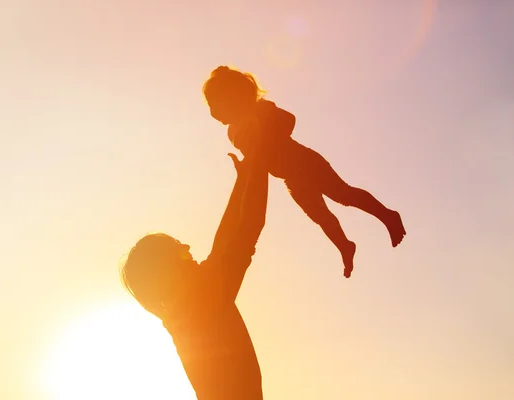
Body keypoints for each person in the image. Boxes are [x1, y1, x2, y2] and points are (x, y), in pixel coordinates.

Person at [202, 65, 406, 278]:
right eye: (210, 105)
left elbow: (289, 120)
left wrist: (267, 133)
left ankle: (388, 215)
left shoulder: (261, 110)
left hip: (306, 162)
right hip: (292, 179)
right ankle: (345, 246)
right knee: (321, 216)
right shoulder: (234, 132)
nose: (213, 111)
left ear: (235, 97)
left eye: (215, 103)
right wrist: (244, 168)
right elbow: (254, 156)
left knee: (344, 195)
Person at [120, 147, 269, 399]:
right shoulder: (202, 300)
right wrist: (262, 157)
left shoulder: (182, 309)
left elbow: (225, 240)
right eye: (179, 249)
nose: (188, 248)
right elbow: (248, 227)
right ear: (166, 269)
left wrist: (244, 178)